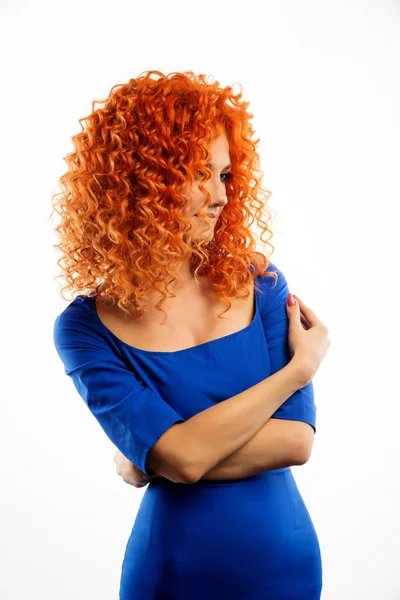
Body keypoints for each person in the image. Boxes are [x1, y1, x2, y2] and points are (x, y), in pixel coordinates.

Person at [51, 69, 330, 600]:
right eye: (198, 173)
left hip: (284, 565)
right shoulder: (85, 328)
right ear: (141, 181)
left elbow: (295, 441)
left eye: (225, 175)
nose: (221, 195)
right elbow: (180, 460)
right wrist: (298, 371)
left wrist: (148, 457)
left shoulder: (263, 284)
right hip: (171, 571)